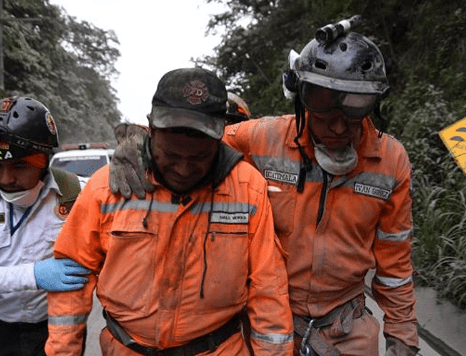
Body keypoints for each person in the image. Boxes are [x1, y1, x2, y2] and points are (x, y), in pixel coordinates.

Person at [109, 25, 420, 356]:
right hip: (265, 320)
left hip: (346, 327)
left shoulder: (390, 161)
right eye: (323, 105)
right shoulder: (264, 138)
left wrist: (402, 335)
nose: (338, 125)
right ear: (300, 96)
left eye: (354, 108)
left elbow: (395, 264)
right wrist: (139, 139)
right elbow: (195, 142)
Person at [46, 67, 294, 355]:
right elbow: (73, 281)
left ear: (219, 138)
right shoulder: (107, 186)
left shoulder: (248, 188)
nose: (184, 168)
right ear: (150, 129)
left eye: (199, 157)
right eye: (172, 155)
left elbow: (268, 290)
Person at [0, 96, 89, 356]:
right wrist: (35, 275)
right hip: (0, 329)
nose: (6, 178)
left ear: (44, 159)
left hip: (60, 329)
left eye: (19, 166)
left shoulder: (79, 194)